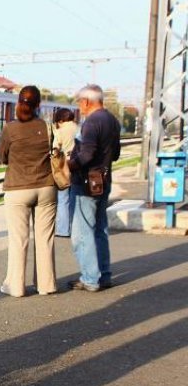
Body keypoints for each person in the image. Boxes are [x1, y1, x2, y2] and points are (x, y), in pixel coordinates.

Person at [0, 86, 57, 297]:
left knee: (19, 239)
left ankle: (16, 287)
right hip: (46, 188)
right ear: (39, 105)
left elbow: (3, 157)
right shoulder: (48, 127)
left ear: (19, 102)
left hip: (18, 189)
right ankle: (47, 285)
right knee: (45, 239)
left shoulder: (10, 129)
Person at [68, 84, 121, 292]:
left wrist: (68, 165)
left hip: (85, 184)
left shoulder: (91, 122)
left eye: (80, 102)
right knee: (100, 230)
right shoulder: (112, 121)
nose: (80, 107)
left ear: (87, 101)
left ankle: (90, 278)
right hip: (104, 181)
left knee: (82, 233)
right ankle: (104, 275)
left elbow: (86, 155)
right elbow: (115, 154)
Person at [52, 108, 79, 237]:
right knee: (76, 198)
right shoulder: (79, 128)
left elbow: (55, 149)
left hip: (64, 167)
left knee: (63, 199)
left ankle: (63, 230)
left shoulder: (60, 131)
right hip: (79, 166)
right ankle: (75, 229)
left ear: (61, 120)